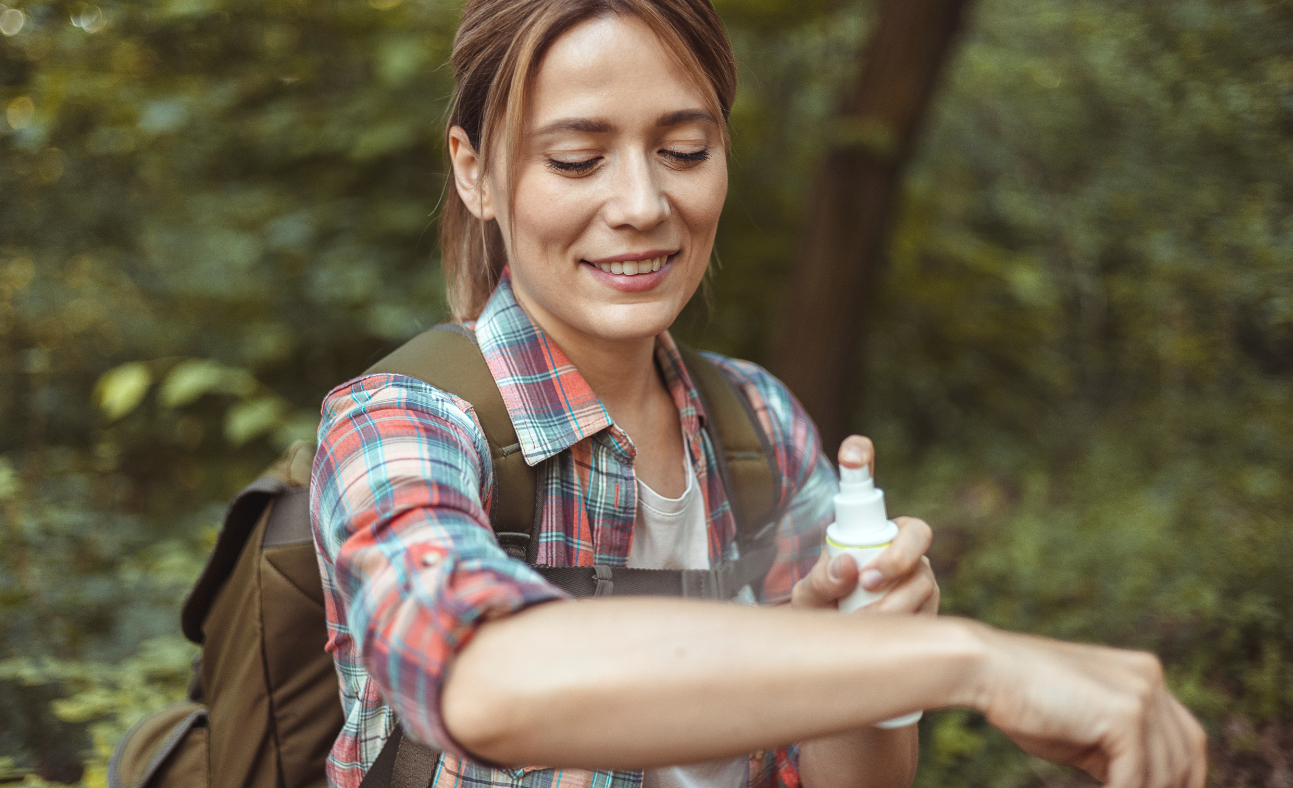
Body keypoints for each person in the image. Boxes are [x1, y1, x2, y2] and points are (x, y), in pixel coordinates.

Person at [310, 0, 1208, 786]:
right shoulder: (400, 422)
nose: (642, 203)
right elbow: (480, 677)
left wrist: (859, 658)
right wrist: (961, 661)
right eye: (579, 160)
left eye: (683, 150)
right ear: (474, 171)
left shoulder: (760, 425)